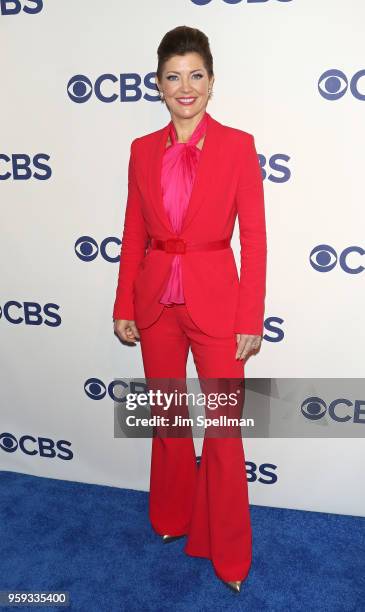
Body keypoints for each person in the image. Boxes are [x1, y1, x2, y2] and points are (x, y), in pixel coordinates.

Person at [113, 25, 267, 593]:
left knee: (224, 429)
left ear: (211, 83)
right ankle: (172, 517)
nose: (185, 87)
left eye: (195, 76)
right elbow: (132, 233)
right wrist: (124, 300)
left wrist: (250, 316)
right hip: (156, 304)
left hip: (217, 304)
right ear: (157, 84)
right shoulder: (140, 150)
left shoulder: (238, 146)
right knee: (169, 420)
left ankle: (226, 550)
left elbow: (255, 235)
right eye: (173, 77)